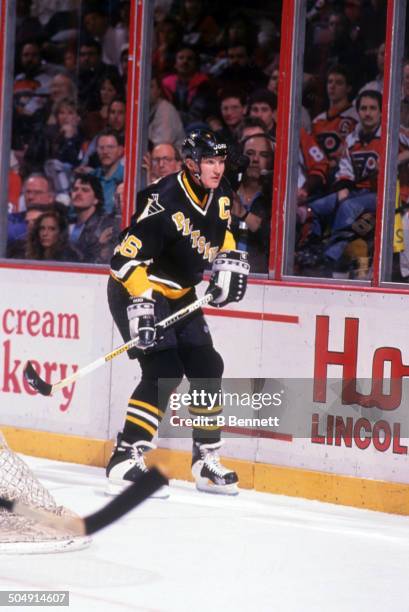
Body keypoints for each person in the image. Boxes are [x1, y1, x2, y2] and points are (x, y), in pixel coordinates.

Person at [106, 129, 249, 496]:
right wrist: (143, 303)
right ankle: (125, 455)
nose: (218, 169)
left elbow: (223, 232)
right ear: (191, 164)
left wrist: (227, 263)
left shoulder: (220, 197)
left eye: (221, 161)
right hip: (137, 288)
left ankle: (205, 460)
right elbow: (122, 260)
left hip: (181, 292)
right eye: (210, 162)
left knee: (207, 366)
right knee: (163, 368)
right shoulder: (163, 200)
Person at [69, 174, 118, 264]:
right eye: (75, 189)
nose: (78, 193)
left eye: (85, 190)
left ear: (96, 199)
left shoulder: (106, 226)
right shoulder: (67, 223)